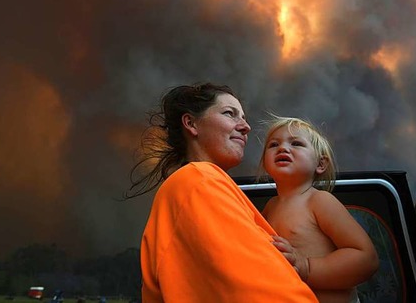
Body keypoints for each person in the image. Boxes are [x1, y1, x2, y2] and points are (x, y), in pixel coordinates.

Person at [127, 83, 318, 303]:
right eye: (230, 114)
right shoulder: (199, 180)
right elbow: (260, 292)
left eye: (244, 118)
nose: (246, 126)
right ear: (191, 124)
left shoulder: (195, 184)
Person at [258, 115, 379, 303]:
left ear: (320, 164)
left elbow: (365, 258)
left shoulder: (320, 201)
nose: (282, 148)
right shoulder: (270, 208)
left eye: (296, 143)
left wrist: (307, 267)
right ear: (265, 163)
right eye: (273, 145)